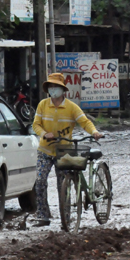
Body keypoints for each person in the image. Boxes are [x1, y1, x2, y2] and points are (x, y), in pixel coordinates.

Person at [31, 73, 103, 227]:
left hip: (64, 152)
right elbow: (36, 125)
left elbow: (84, 122)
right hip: (45, 150)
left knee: (63, 185)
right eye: (50, 87)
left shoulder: (71, 107)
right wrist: (44, 134)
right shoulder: (43, 105)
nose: (53, 89)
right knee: (40, 181)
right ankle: (43, 215)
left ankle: (66, 219)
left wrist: (94, 132)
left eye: (55, 86)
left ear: (63, 89)